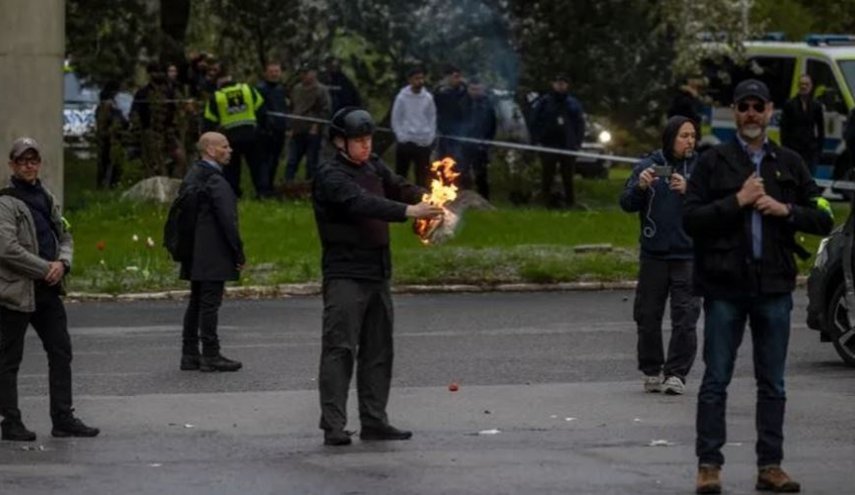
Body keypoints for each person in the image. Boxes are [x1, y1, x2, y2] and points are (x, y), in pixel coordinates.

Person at [684, 79, 834, 494]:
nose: (751, 114)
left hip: (773, 287)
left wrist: (786, 209)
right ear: (735, 111)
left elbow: (823, 215)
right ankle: (708, 466)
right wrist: (738, 201)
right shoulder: (713, 162)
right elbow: (690, 219)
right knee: (716, 380)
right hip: (724, 287)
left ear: (770, 112)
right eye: (744, 107)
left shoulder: (789, 161)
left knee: (773, 383)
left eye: (758, 107)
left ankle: (771, 466)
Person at [312, 107, 443, 446]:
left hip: (377, 272)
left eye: (369, 139)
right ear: (340, 142)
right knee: (340, 349)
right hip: (345, 274)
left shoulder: (373, 165)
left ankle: (374, 420)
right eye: (359, 140)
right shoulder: (330, 174)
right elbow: (362, 202)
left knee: (379, 350)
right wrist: (409, 212)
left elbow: (397, 186)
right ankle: (334, 425)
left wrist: (428, 199)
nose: (366, 146)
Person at [0, 137, 100, 441]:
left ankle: (63, 418)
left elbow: (65, 234)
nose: (29, 166)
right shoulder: (5, 202)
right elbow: (6, 248)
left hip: (48, 292)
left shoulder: (46, 195)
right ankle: (10, 422)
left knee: (61, 352)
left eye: (33, 160)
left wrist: (63, 264)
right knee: (8, 360)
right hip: (16, 293)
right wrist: (46, 268)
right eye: (22, 161)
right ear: (12, 165)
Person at [620, 116, 700, 396]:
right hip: (654, 254)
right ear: (670, 138)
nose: (690, 141)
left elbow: (718, 202)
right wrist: (641, 186)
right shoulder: (648, 165)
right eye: (684, 136)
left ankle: (676, 373)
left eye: (693, 135)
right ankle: (652, 369)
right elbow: (626, 204)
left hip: (688, 255)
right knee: (648, 315)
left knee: (686, 316)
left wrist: (691, 190)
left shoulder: (701, 167)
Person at [178, 132, 245, 373]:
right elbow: (227, 219)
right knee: (209, 304)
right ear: (209, 150)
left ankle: (189, 354)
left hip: (194, 250)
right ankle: (211, 354)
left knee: (196, 302)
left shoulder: (192, 175)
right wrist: (238, 251)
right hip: (213, 250)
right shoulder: (215, 181)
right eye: (224, 147)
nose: (230, 150)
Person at [202, 62, 267, 198]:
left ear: (219, 81)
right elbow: (261, 107)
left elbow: (209, 120)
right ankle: (262, 193)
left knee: (232, 168)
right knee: (257, 166)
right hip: (251, 134)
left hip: (230, 137)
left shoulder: (217, 96)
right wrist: (259, 126)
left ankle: (234, 194)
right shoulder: (247, 89)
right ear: (230, 77)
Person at [529, 74, 585, 208]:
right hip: (549, 144)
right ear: (553, 84)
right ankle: (545, 202)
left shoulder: (573, 103)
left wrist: (577, 142)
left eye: (563, 83)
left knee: (568, 177)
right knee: (547, 175)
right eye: (558, 83)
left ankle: (570, 203)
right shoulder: (544, 102)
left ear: (567, 85)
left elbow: (580, 124)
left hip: (568, 145)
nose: (560, 85)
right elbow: (534, 121)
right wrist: (537, 140)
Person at [131, 62, 187, 178]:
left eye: (161, 72)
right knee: (156, 165)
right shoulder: (143, 93)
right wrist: (138, 130)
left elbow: (180, 108)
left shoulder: (171, 91)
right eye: (156, 72)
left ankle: (176, 185)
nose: (159, 75)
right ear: (150, 74)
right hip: (151, 132)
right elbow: (135, 113)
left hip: (169, 131)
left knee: (181, 159)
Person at [391, 67, 437, 188]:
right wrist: (401, 136)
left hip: (423, 141)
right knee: (401, 173)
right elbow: (396, 118)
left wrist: (430, 137)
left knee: (422, 174)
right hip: (406, 140)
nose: (420, 81)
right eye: (417, 78)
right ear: (410, 80)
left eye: (422, 78)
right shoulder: (402, 97)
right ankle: (399, 198)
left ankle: (422, 200)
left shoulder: (428, 98)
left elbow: (432, 118)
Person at [285, 66, 331, 182]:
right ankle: (288, 183)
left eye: (307, 73)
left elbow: (325, 110)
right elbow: (292, 108)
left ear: (314, 73)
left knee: (312, 161)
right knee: (292, 160)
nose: (304, 76)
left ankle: (311, 184)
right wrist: (290, 126)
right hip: (297, 129)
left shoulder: (321, 90)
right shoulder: (296, 89)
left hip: (313, 130)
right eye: (302, 73)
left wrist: (316, 125)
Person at [459, 78, 497, 199]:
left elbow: (492, 125)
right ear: (468, 89)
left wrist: (487, 143)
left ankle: (484, 200)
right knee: (462, 173)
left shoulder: (488, 105)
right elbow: (456, 121)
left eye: (478, 89)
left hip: (481, 146)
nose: (475, 92)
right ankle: (462, 198)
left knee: (481, 175)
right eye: (473, 89)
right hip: (463, 146)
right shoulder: (461, 103)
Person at [780, 74, 825, 176]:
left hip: (810, 149)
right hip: (793, 148)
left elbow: (821, 129)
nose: (803, 87)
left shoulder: (816, 106)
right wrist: (785, 148)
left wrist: (819, 149)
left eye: (806, 84)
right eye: (801, 84)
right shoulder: (790, 104)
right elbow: (784, 128)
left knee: (809, 176)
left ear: (811, 86)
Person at [256, 61, 289, 193]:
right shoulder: (260, 89)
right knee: (264, 160)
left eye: (277, 71)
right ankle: (263, 189)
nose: (274, 74)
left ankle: (270, 186)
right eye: (272, 71)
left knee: (275, 160)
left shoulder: (281, 89)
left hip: (280, 130)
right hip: (265, 131)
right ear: (265, 73)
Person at [95, 81, 128, 189]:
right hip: (109, 139)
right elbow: (103, 124)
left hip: (113, 138)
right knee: (108, 163)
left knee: (113, 163)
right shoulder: (107, 105)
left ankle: (110, 184)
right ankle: (107, 184)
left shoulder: (111, 104)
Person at [434, 65, 468, 163]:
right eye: (455, 77)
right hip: (444, 133)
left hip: (460, 133)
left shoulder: (463, 91)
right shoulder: (441, 92)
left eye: (459, 77)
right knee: (443, 161)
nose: (458, 79)